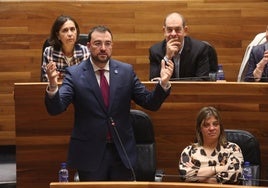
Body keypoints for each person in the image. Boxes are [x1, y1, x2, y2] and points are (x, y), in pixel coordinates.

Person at [44, 25, 174, 181]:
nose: (103, 48)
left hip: (122, 153)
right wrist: (53, 85)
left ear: (112, 45)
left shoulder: (126, 72)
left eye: (107, 43)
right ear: (89, 46)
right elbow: (56, 108)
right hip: (90, 154)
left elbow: (150, 103)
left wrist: (164, 83)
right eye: (98, 43)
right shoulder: (75, 73)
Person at [179, 106, 244, 184]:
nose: (212, 128)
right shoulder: (189, 151)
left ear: (220, 126)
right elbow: (185, 175)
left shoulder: (233, 149)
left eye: (215, 124)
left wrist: (199, 176)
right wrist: (218, 169)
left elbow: (235, 176)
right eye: (206, 125)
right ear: (199, 128)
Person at [149, 12, 211, 81]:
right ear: (164, 31)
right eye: (169, 30)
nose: (173, 34)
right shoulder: (155, 51)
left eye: (177, 29)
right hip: (166, 91)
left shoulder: (200, 49)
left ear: (185, 31)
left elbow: (203, 81)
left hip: (192, 91)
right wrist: (167, 57)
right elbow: (154, 82)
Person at [41, 15, 90, 82]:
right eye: (65, 30)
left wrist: (61, 79)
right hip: (58, 91)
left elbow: (87, 80)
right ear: (58, 35)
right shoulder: (49, 52)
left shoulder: (85, 50)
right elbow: (46, 79)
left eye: (72, 29)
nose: (70, 34)